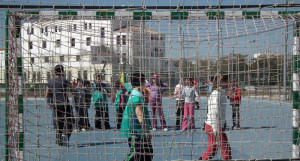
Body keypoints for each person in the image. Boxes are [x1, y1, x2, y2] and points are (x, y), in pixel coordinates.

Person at [120, 72, 153, 161]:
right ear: (142, 82)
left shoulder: (135, 93)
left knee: (147, 153)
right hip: (136, 131)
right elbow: (139, 113)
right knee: (137, 155)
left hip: (139, 131)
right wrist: (146, 131)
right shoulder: (136, 96)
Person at [199, 74, 232, 160]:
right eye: (228, 81)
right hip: (214, 126)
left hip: (213, 125)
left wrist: (223, 122)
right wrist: (216, 129)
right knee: (226, 150)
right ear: (222, 82)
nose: (230, 83)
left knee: (212, 151)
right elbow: (214, 112)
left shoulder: (220, 93)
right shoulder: (217, 94)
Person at [45, 65, 73, 146]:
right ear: (62, 71)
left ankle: (58, 139)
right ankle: (65, 136)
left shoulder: (50, 82)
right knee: (70, 121)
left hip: (56, 105)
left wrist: (53, 96)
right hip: (65, 104)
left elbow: (47, 95)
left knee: (59, 123)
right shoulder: (65, 81)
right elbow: (72, 91)